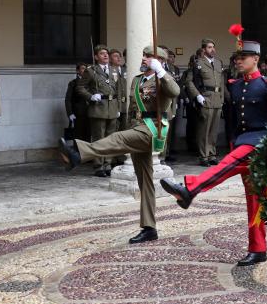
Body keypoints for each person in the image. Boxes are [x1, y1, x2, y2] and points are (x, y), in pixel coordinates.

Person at [160, 41, 267, 266]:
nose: (238, 61)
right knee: (254, 199)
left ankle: (190, 189)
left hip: (260, 145)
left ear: (256, 60)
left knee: (228, 163)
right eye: (237, 58)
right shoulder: (236, 84)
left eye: (244, 57)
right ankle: (258, 249)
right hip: (241, 141)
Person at [59, 46, 180, 243]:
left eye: (148, 56)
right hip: (136, 126)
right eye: (145, 55)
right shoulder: (138, 79)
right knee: (145, 181)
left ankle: (78, 152)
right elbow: (132, 109)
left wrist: (161, 71)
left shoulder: (162, 78)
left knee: (118, 138)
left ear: (159, 60)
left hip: (152, 129)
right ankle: (150, 227)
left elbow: (175, 91)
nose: (144, 58)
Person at [77, 45, 122, 177]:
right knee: (98, 138)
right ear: (96, 57)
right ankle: (98, 166)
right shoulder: (91, 71)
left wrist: (118, 107)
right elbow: (80, 87)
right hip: (98, 107)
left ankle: (108, 164)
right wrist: (90, 96)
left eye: (106, 53)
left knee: (110, 138)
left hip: (112, 107)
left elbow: (119, 90)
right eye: (102, 54)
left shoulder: (114, 70)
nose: (106, 55)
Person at [187, 39, 226, 166]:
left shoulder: (219, 63)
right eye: (209, 47)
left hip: (216, 99)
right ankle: (203, 156)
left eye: (213, 47)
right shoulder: (198, 63)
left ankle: (212, 154)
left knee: (214, 130)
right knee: (204, 129)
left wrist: (222, 99)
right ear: (203, 50)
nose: (212, 49)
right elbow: (189, 82)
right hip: (205, 98)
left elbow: (221, 82)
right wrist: (197, 96)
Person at [160, 47, 181, 163]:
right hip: (158, 104)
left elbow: (174, 89)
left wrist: (174, 105)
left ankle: (164, 155)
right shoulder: (153, 68)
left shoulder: (170, 68)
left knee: (166, 132)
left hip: (169, 103)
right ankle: (159, 155)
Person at [65, 62, 91, 141]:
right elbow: (68, 99)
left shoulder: (90, 82)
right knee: (78, 136)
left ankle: (87, 152)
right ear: (77, 71)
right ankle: (78, 152)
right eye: (83, 68)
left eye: (86, 69)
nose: (85, 70)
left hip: (90, 112)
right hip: (78, 114)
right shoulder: (73, 83)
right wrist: (70, 113)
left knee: (88, 135)